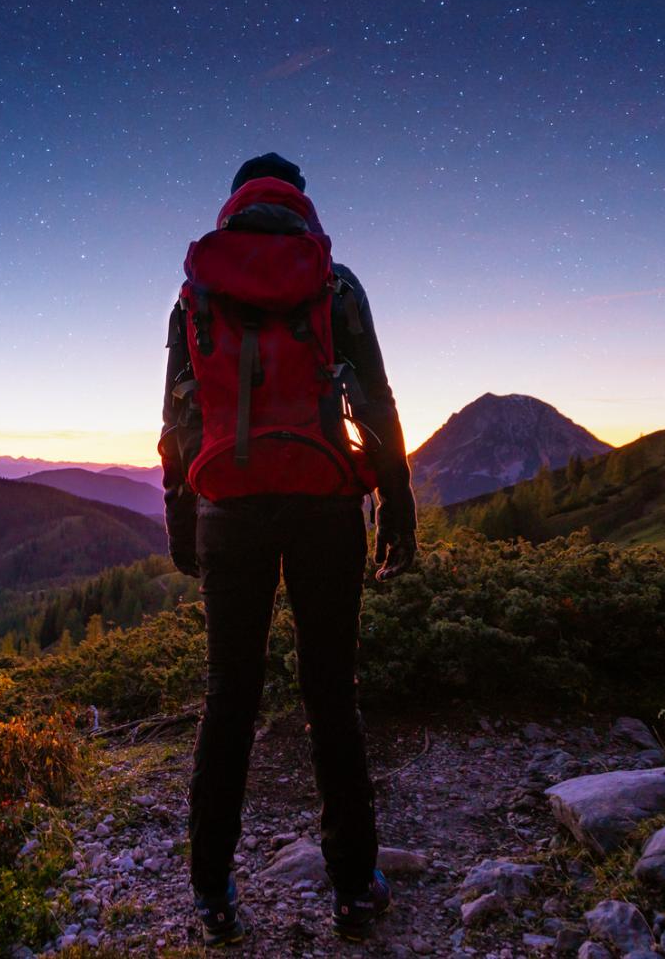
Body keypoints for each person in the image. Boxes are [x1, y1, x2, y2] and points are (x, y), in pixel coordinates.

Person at [159, 152, 417, 945]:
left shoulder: (198, 287)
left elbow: (179, 414)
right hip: (324, 503)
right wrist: (395, 501)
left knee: (228, 697)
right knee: (331, 693)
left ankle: (211, 894)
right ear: (300, 203)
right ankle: (351, 888)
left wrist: (182, 514)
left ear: (233, 201)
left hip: (227, 508)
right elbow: (371, 394)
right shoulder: (334, 283)